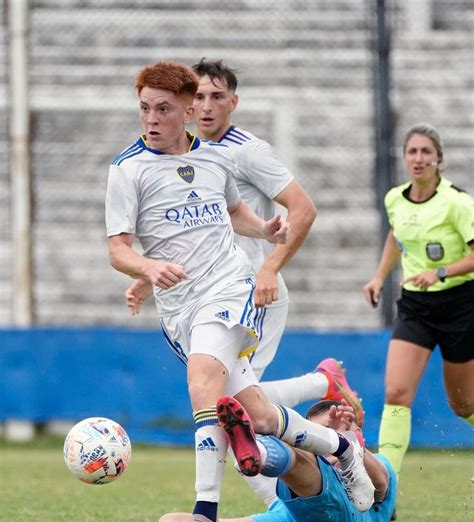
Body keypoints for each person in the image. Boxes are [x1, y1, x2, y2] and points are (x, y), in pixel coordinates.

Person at [105, 60, 374, 522]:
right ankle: (343, 449)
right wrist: (145, 270)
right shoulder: (127, 169)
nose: (152, 119)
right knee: (260, 418)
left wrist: (265, 235)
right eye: (145, 108)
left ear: (187, 110)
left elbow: (233, 215)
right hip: (180, 310)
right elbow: (118, 249)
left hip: (230, 289)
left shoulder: (217, 159)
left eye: (163, 109)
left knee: (202, 384)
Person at [125, 58, 364, 426]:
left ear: (233, 103)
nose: (207, 106)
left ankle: (322, 393)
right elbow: (195, 233)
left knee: (230, 404)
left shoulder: (248, 151)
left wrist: (269, 269)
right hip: (209, 295)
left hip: (253, 291)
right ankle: (322, 386)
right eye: (200, 96)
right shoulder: (182, 157)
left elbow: (304, 209)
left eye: (217, 97)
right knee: (231, 403)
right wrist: (147, 278)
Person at [362, 123, 474, 480]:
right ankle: (386, 485)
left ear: (439, 159)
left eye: (426, 152)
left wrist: (441, 272)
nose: (418, 158)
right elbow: (397, 236)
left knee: (463, 404)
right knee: (396, 392)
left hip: (459, 306)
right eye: (412, 151)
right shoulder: (395, 198)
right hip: (415, 307)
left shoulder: (457, 202)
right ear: (405, 157)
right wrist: (379, 277)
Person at [155, 399, 395, 522]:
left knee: (303, 463)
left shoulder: (377, 466)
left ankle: (259, 450)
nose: (326, 445)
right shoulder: (285, 511)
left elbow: (381, 482)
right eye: (321, 436)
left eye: (332, 435)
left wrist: (351, 442)